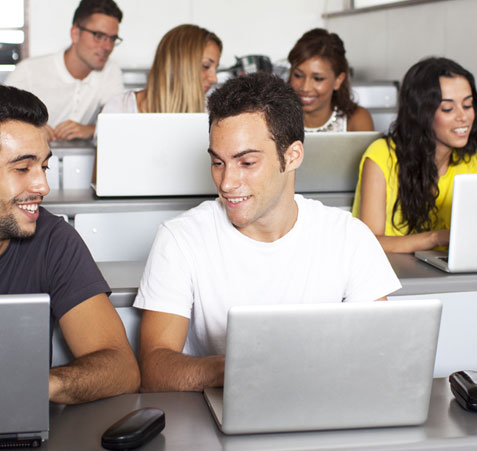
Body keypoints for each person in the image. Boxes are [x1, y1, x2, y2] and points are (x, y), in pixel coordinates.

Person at [133, 73, 401, 393]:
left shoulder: (350, 238)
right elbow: (153, 369)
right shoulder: (179, 239)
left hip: (323, 410)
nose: (227, 182)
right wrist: (243, 369)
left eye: (246, 162)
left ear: (292, 156)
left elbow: (379, 356)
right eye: (218, 163)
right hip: (214, 423)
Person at [0, 85, 140, 404]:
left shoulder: (51, 237)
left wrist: (25, 387)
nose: (43, 186)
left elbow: (121, 368)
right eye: (22, 168)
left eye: (44, 167)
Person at [352, 57, 477, 253]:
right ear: (422, 113)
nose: (463, 117)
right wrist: (436, 238)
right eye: (448, 108)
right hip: (392, 276)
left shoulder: (475, 160)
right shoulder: (382, 156)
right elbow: (370, 242)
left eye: (468, 105)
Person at [5, 0, 124, 141]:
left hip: (78, 160)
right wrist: (32, 129)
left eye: (112, 39)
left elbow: (120, 121)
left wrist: (91, 129)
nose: (107, 47)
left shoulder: (110, 70)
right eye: (98, 36)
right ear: (75, 33)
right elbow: (3, 118)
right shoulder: (29, 71)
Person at [101, 24, 222, 114]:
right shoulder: (120, 108)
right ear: (178, 64)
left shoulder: (212, 114)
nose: (214, 78)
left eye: (215, 69)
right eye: (205, 66)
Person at [287, 28, 373, 132]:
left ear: (338, 80)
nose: (305, 87)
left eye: (318, 79)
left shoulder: (356, 119)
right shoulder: (273, 117)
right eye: (298, 75)